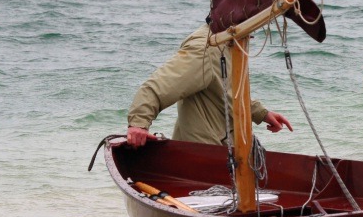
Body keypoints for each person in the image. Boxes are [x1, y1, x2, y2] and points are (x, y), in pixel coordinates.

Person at [125, 23, 293, 147]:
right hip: (204, 155)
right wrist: (138, 124)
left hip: (230, 153)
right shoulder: (206, 49)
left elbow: (228, 92)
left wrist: (260, 113)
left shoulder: (232, 42)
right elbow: (157, 88)